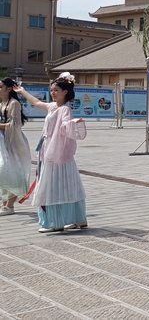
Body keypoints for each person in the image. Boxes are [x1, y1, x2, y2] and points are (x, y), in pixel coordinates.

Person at [15, 72, 88, 233]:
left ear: (65, 92)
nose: (53, 92)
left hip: (57, 152)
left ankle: (56, 222)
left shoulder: (65, 109)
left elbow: (66, 125)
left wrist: (73, 124)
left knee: (53, 186)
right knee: (66, 184)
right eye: (52, 90)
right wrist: (22, 91)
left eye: (56, 90)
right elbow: (36, 102)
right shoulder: (54, 106)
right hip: (49, 148)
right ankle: (76, 219)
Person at [0, 78, 32, 215]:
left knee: (12, 171)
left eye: (0, 86)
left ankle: (10, 205)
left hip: (13, 141)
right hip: (3, 141)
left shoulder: (14, 103)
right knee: (4, 171)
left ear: (9, 89)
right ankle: (4, 203)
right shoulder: (2, 104)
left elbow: (15, 125)